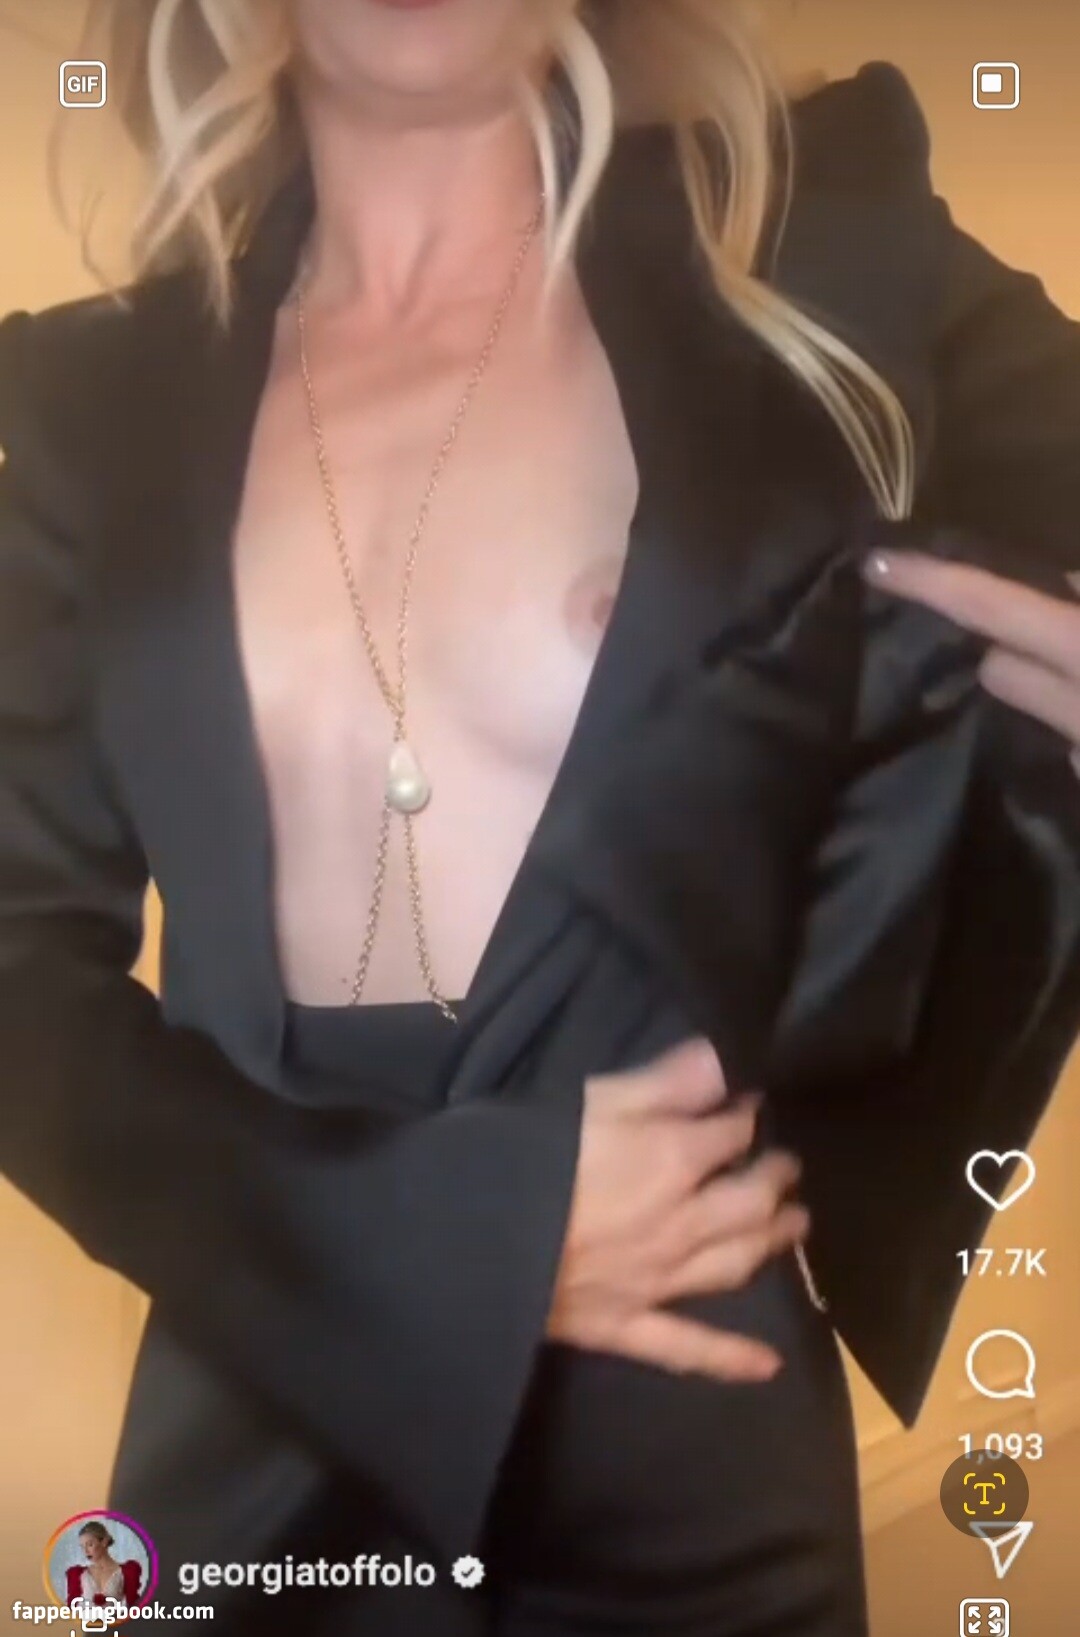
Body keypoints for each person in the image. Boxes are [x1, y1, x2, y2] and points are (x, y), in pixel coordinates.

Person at [2, 2, 1078, 1634]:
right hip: (258, 1439)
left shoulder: (827, 246)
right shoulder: (88, 408)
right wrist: (457, 1244)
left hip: (692, 1440)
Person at [63, 1521, 142, 1613]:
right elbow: (71, 1609)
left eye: (90, 1545)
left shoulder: (126, 1572)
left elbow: (133, 1607)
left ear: (104, 1542)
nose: (85, 1551)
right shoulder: (78, 1574)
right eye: (82, 1547)